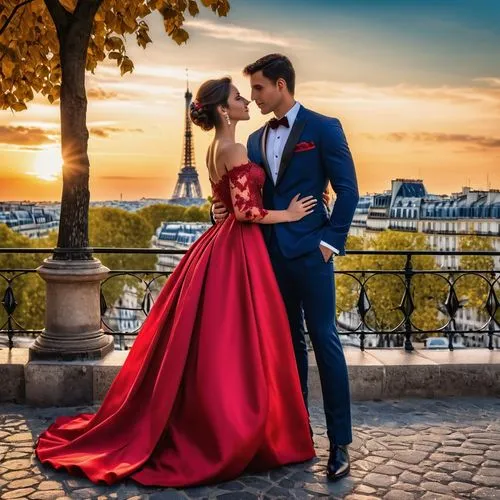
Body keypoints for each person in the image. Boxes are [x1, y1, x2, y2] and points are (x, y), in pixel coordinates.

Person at [34, 76, 316, 487]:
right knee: (245, 340)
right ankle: (245, 426)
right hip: (239, 250)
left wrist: (228, 210)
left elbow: (221, 203)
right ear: (223, 109)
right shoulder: (235, 147)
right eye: (239, 97)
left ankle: (222, 421)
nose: (245, 101)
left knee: (219, 343)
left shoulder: (213, 148)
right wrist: (289, 215)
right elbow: (245, 213)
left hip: (217, 248)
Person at [212, 54, 359, 481]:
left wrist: (330, 244)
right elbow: (246, 198)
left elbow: (348, 191)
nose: (253, 96)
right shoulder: (254, 140)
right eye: (249, 90)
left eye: (258, 88)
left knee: (325, 342)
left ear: (280, 84)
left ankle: (340, 444)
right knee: (285, 348)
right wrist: (218, 209)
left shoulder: (324, 127)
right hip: (267, 256)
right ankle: (298, 435)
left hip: (312, 255)